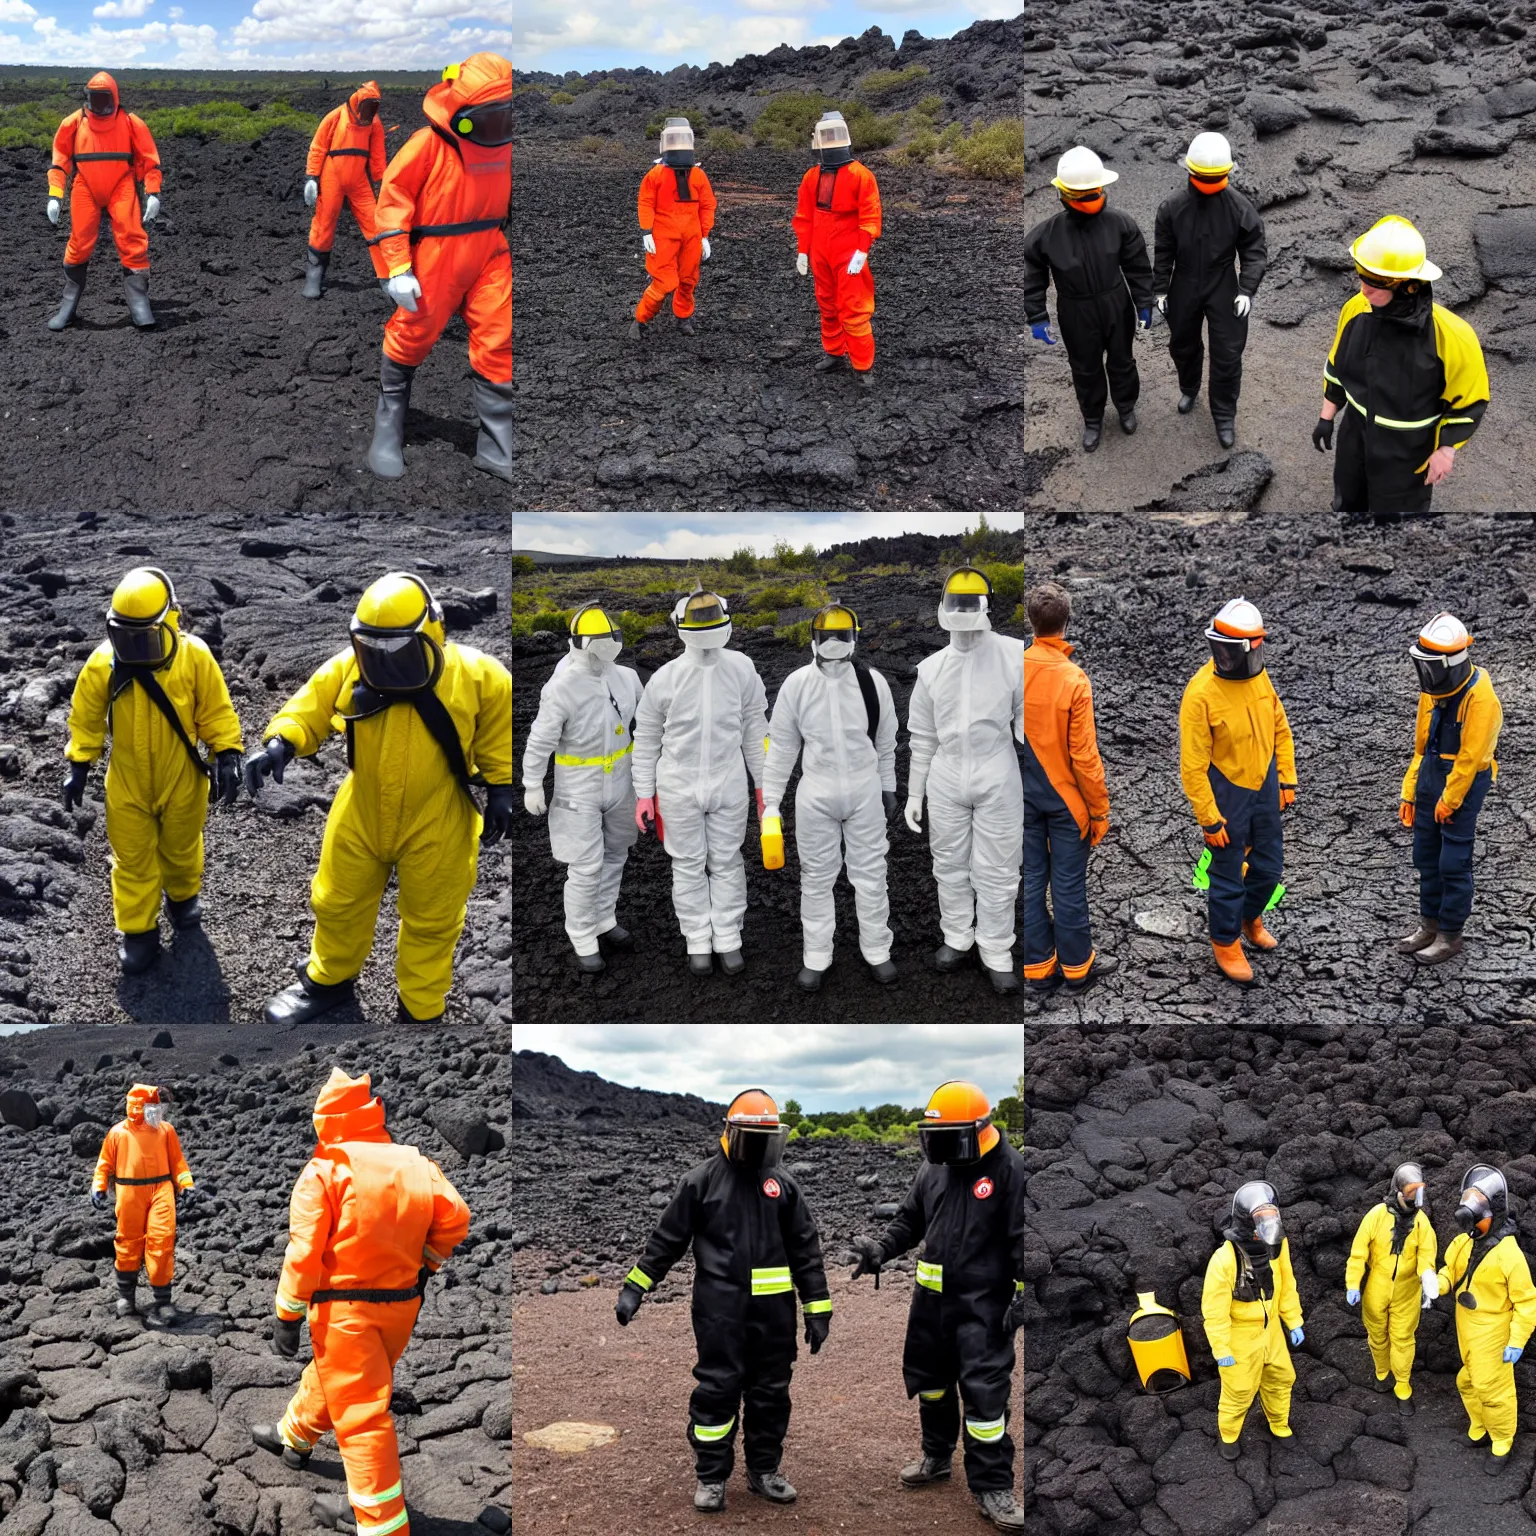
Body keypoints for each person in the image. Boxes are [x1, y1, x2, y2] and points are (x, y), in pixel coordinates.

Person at [243, 573, 513, 1025]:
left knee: (433, 917)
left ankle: (421, 1009)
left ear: (432, 633)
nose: (384, 663)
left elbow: (498, 737)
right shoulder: (350, 665)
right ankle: (327, 981)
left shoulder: (481, 677)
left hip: (439, 816)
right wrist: (281, 742)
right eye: (375, 649)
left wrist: (502, 787)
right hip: (362, 807)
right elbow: (310, 705)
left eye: (399, 650)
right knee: (337, 900)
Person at [251, 1068, 471, 1533]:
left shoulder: (325, 1171)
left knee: (362, 1414)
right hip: (402, 1308)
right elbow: (455, 1219)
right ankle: (295, 1438)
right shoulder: (417, 1163)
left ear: (326, 1121)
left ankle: (380, 1522)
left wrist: (287, 1313)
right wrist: (425, 1267)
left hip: (344, 1309)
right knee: (344, 1379)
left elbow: (304, 1250)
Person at [614, 1090, 831, 1514]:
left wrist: (817, 1307)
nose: (761, 1149)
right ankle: (711, 1477)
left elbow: (806, 1250)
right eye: (754, 1138)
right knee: (718, 1390)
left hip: (774, 1317)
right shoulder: (701, 1182)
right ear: (730, 1133)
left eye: (768, 1140)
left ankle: (763, 1471)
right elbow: (666, 1242)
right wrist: (635, 1288)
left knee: (771, 1393)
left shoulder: (782, 1185)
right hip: (721, 1314)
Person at [849, 1081, 1026, 1532]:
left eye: (946, 1137)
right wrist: (879, 1251)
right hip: (930, 1305)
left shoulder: (1009, 1169)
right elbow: (910, 1219)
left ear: (976, 1131)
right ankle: (937, 1456)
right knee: (931, 1385)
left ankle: (993, 1486)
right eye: (934, 1138)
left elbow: (1024, 1240)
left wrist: (1027, 1293)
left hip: (983, 1308)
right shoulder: (935, 1166)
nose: (937, 1147)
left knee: (986, 1399)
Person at [63, 567, 243, 976]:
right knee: (131, 859)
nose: (133, 645)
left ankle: (182, 897)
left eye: (142, 636)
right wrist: (78, 761)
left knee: (181, 846)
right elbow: (86, 718)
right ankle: (138, 931)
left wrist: (227, 752)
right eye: (124, 636)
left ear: (169, 620)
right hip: (127, 783)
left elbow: (215, 711)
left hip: (183, 778)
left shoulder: (193, 656)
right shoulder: (104, 664)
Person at [367, 53, 511, 483]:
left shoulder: (502, 141)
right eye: (488, 117)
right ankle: (387, 427)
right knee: (414, 333)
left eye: (506, 116)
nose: (498, 126)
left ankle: (497, 447)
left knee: (498, 338)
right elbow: (392, 203)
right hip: (435, 256)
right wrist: (397, 268)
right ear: (461, 113)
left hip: (490, 250)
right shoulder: (427, 144)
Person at [630, 587, 769, 977]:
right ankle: (697, 939)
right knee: (688, 864)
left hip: (727, 780)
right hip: (677, 783)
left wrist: (763, 786)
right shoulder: (666, 678)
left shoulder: (742, 669)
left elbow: (756, 729)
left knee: (727, 860)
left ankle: (728, 938)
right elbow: (645, 738)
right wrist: (644, 794)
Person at [1313, 215, 1489, 519]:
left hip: (1409, 449)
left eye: (1374, 282)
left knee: (1397, 519)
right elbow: (1336, 366)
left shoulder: (1453, 336)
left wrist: (1446, 450)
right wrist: (1327, 417)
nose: (1363, 290)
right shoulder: (1356, 309)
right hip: (1355, 432)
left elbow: (1470, 401)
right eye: (1361, 276)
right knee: (1347, 500)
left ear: (1409, 285)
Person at [762, 603, 899, 992]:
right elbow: (783, 747)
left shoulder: (873, 684)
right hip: (815, 793)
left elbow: (886, 741)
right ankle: (817, 956)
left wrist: (887, 786)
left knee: (872, 877)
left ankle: (877, 951)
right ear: (814, 639)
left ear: (855, 638)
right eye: (829, 635)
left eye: (844, 635)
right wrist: (771, 803)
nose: (836, 642)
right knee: (817, 879)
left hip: (864, 789)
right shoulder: (797, 685)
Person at [906, 566, 1025, 995]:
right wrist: (914, 793)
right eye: (955, 603)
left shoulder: (1014, 656)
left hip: (997, 769)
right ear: (943, 606)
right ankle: (956, 936)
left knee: (998, 867)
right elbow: (922, 736)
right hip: (947, 772)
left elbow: (1028, 719)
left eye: (968, 604)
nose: (961, 612)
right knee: (949, 864)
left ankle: (995, 949)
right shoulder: (932, 669)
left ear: (986, 605)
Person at [1178, 598, 1297, 984]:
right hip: (1226, 789)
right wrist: (1209, 819)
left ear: (1256, 646)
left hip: (1263, 782)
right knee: (1227, 872)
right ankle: (1225, 941)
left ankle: (1249, 918)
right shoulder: (1200, 693)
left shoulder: (1258, 675)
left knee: (1269, 866)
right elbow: (1193, 765)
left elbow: (1279, 724)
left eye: (1236, 651)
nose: (1227, 659)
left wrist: (1286, 776)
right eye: (1223, 650)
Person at [520, 604, 643, 974]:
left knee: (616, 854)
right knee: (586, 865)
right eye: (598, 640)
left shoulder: (626, 678)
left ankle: (605, 917)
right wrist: (531, 783)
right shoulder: (562, 688)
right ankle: (582, 933)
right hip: (579, 787)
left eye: (609, 639)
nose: (605, 647)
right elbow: (540, 740)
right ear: (579, 642)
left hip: (621, 779)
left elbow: (650, 719)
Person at [1023, 144, 1155, 452]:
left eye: (1093, 192)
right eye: (1082, 195)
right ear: (1063, 193)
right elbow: (1033, 277)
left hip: (1116, 303)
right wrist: (1037, 315)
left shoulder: (1121, 224)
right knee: (1085, 368)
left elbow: (1137, 267)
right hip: (1075, 309)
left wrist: (1144, 302)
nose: (1089, 199)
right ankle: (1093, 419)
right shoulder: (1045, 235)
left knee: (1122, 361)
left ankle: (1126, 407)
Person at [1021, 582, 1113, 995]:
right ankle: (1077, 970)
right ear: (1066, 622)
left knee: (1030, 881)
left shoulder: (1012, 670)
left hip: (1020, 800)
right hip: (1066, 804)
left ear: (1030, 621)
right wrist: (1099, 811)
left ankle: (1038, 969)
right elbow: (1085, 757)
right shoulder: (1074, 679)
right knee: (1069, 885)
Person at [1397, 612, 1501, 966]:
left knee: (1452, 861)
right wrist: (1410, 791)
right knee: (1426, 857)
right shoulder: (1434, 689)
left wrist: (1450, 799)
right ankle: (1429, 924)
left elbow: (1470, 759)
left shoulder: (1480, 698)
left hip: (1463, 782)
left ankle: (1450, 934)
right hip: (1431, 774)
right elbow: (1421, 747)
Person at [1152, 132, 1267, 449]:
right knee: (1182, 344)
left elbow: (1255, 251)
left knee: (1228, 354)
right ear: (1189, 171)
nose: (1209, 182)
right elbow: (1164, 252)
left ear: (1228, 173)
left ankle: (1224, 414)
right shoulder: (1172, 208)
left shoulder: (1240, 208)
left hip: (1224, 283)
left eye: (1216, 177)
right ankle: (1189, 388)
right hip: (1184, 282)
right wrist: (1160, 290)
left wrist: (1246, 290)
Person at [1434, 1165, 1536, 1473]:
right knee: (1467, 1380)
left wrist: (1517, 1341)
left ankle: (1502, 1440)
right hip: (1466, 1325)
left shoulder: (1510, 1255)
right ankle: (1480, 1427)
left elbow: (1527, 1302)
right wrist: (1435, 1284)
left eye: (1480, 1216)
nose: (1474, 1223)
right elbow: (1450, 1271)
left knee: (1492, 1389)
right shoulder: (1465, 1241)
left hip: (1492, 1331)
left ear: (1495, 1213)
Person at [46, 71, 162, 329]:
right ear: (86, 98)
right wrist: (55, 194)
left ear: (115, 98)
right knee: (79, 240)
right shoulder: (73, 123)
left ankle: (139, 304)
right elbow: (60, 160)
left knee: (131, 237)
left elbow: (148, 160)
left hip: (122, 183)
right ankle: (69, 305)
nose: (99, 106)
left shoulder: (132, 123)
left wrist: (152, 191)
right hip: (85, 185)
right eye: (94, 100)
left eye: (104, 100)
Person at [1201, 1180, 1304, 1460]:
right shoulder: (1224, 1261)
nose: (1268, 1227)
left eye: (1271, 1218)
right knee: (1240, 1390)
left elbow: (1287, 1283)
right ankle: (1229, 1435)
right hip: (1240, 1337)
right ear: (1247, 1222)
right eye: (1261, 1220)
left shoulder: (1277, 1245)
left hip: (1271, 1331)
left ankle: (1279, 1424)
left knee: (1282, 1378)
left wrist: (1293, 1320)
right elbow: (1214, 1312)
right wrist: (1221, 1350)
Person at [91, 1084, 198, 1328]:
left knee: (162, 1241)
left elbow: (178, 1163)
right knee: (128, 1242)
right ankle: (126, 1297)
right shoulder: (118, 1133)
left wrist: (186, 1185)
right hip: (129, 1191)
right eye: (155, 1107)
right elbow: (104, 1163)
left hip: (161, 1189)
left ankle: (162, 1301)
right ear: (140, 1108)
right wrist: (98, 1186)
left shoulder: (166, 1131)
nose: (160, 1112)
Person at [793, 110, 882, 386]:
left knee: (854, 308)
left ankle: (863, 366)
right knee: (827, 304)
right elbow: (804, 216)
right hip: (821, 250)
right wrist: (803, 251)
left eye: (833, 136)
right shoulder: (811, 177)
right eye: (826, 137)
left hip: (848, 252)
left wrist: (862, 249)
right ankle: (834, 352)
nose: (829, 143)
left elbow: (870, 215)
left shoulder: (861, 175)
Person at [1345, 1163, 1439, 1415]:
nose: (1415, 1197)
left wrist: (1427, 1274)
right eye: (1411, 1191)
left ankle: (1402, 1386)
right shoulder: (1376, 1216)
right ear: (1398, 1190)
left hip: (1407, 1291)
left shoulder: (1421, 1222)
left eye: (1418, 1191)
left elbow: (1426, 1253)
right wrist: (1353, 1283)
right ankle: (1381, 1371)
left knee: (1403, 1340)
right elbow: (1358, 1253)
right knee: (1377, 1334)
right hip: (1377, 1285)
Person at [301, 81, 390, 300]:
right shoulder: (335, 117)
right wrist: (312, 177)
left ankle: (388, 277)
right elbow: (318, 146)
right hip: (332, 177)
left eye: (373, 107)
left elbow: (378, 154)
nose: (368, 113)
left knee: (375, 225)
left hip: (358, 179)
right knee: (324, 223)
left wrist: (383, 182)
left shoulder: (373, 123)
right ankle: (314, 275)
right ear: (356, 103)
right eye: (367, 106)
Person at [629, 117, 716, 340]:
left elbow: (707, 205)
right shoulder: (655, 175)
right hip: (663, 234)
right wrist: (646, 230)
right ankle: (641, 320)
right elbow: (646, 202)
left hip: (691, 235)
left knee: (688, 280)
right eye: (674, 141)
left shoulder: (697, 175)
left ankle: (683, 318)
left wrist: (704, 235)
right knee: (664, 281)